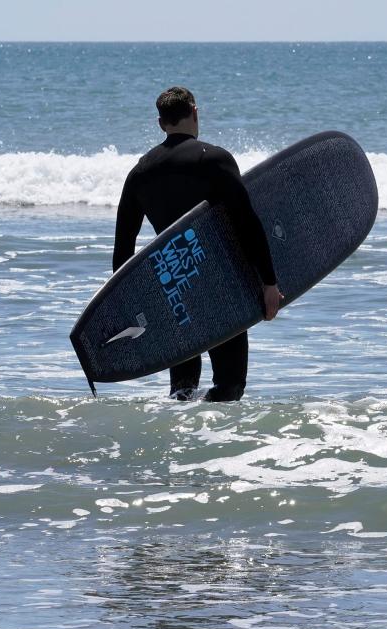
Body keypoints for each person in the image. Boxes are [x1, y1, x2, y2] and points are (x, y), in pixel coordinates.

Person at [112, 86, 282, 402]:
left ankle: (182, 441)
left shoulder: (140, 172)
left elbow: (123, 250)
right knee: (230, 387)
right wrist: (269, 283)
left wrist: (133, 310)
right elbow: (247, 223)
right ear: (195, 113)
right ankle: (214, 441)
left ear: (161, 123)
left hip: (173, 290)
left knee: (181, 390)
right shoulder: (214, 160)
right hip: (220, 287)